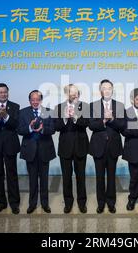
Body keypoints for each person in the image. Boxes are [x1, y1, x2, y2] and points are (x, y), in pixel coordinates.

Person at [89, 79, 125, 214]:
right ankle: (100, 203)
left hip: (113, 147)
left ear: (112, 89)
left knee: (111, 176)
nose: (107, 90)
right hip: (98, 146)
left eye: (109, 88)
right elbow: (91, 125)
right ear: (100, 90)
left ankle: (111, 202)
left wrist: (112, 119)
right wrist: (104, 120)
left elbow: (122, 126)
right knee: (99, 177)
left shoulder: (119, 106)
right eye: (104, 88)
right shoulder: (93, 105)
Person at [18, 90, 56, 214]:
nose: (35, 102)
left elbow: (53, 129)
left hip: (45, 149)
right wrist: (30, 127)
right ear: (29, 100)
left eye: (37, 99)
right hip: (30, 151)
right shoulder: (23, 112)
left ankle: (45, 204)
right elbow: (19, 130)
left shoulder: (49, 111)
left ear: (41, 100)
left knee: (44, 180)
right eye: (32, 99)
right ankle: (32, 204)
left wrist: (43, 129)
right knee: (32, 179)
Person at [0, 83, 21, 215]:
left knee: (12, 174)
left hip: (10, 144)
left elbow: (16, 125)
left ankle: (14, 203)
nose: (3, 94)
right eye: (0, 92)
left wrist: (6, 117)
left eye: (5, 92)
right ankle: (1, 203)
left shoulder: (15, 106)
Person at [54, 84, 89, 214]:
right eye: (71, 93)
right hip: (65, 148)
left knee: (81, 177)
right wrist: (64, 118)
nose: (74, 95)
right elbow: (56, 126)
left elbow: (87, 123)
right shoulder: (59, 107)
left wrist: (75, 117)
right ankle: (68, 203)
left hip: (81, 146)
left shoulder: (84, 106)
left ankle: (82, 203)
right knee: (66, 177)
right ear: (66, 94)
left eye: (76, 93)